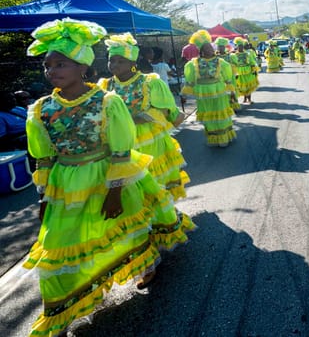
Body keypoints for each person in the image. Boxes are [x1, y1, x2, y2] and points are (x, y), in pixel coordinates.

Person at [23, 19, 193, 336]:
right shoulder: (40, 110)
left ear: (83, 67)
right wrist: (44, 195)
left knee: (126, 225)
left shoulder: (106, 101)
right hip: (66, 184)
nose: (52, 71)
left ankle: (146, 264)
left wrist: (114, 191)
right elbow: (43, 157)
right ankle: (63, 306)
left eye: (61, 64)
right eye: (48, 66)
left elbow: (120, 150)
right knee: (61, 245)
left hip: (108, 176)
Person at [99, 33, 191, 200]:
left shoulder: (150, 82)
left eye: (120, 61)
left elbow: (161, 111)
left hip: (148, 138)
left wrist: (126, 121)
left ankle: (162, 211)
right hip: (120, 140)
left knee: (152, 176)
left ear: (133, 63)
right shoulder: (105, 85)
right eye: (111, 60)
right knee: (131, 183)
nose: (114, 65)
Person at [182, 29, 237, 147]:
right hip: (203, 96)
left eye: (210, 48)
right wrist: (184, 95)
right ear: (201, 51)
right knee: (208, 117)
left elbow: (228, 79)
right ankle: (213, 137)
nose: (209, 50)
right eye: (206, 49)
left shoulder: (221, 62)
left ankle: (224, 137)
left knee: (221, 115)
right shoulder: (193, 64)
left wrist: (232, 92)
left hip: (219, 93)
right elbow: (190, 81)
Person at [230, 37, 259, 104]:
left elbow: (252, 62)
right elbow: (232, 64)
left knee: (248, 86)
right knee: (241, 87)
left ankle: (249, 99)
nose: (240, 47)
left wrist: (254, 70)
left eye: (241, 46)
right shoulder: (234, 55)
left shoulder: (247, 54)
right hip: (239, 73)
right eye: (239, 46)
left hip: (248, 72)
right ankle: (244, 99)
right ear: (236, 47)